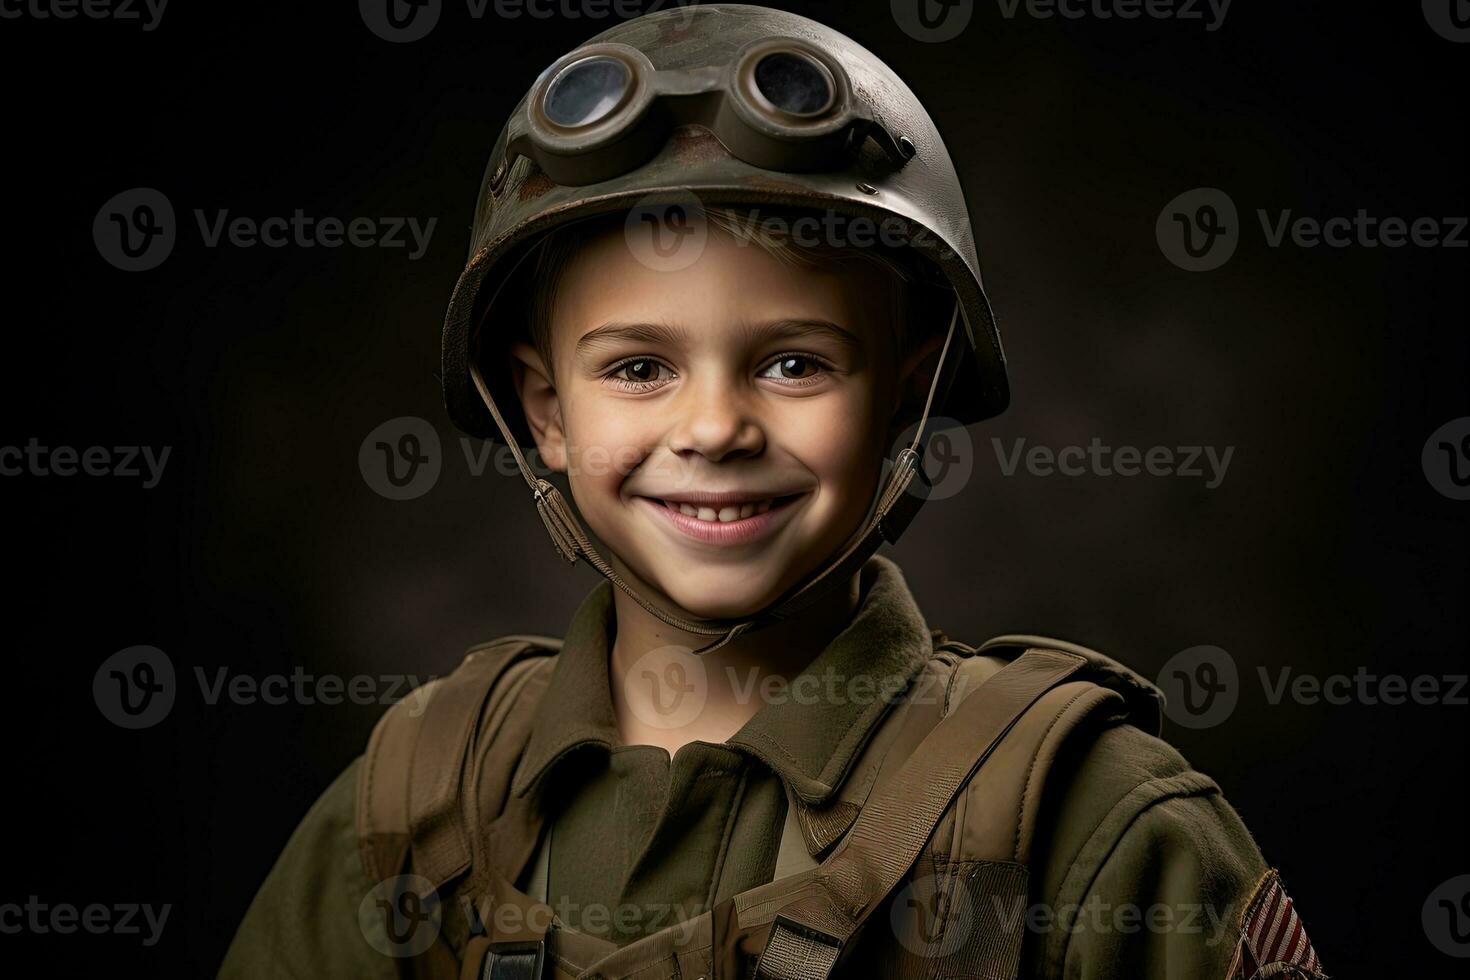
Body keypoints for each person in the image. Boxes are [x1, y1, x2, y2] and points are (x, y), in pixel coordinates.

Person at [220, 5, 1325, 979]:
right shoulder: (416, 807)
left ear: (903, 396)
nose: (712, 428)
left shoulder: (1090, 825)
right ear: (544, 411)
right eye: (638, 367)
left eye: (795, 362)